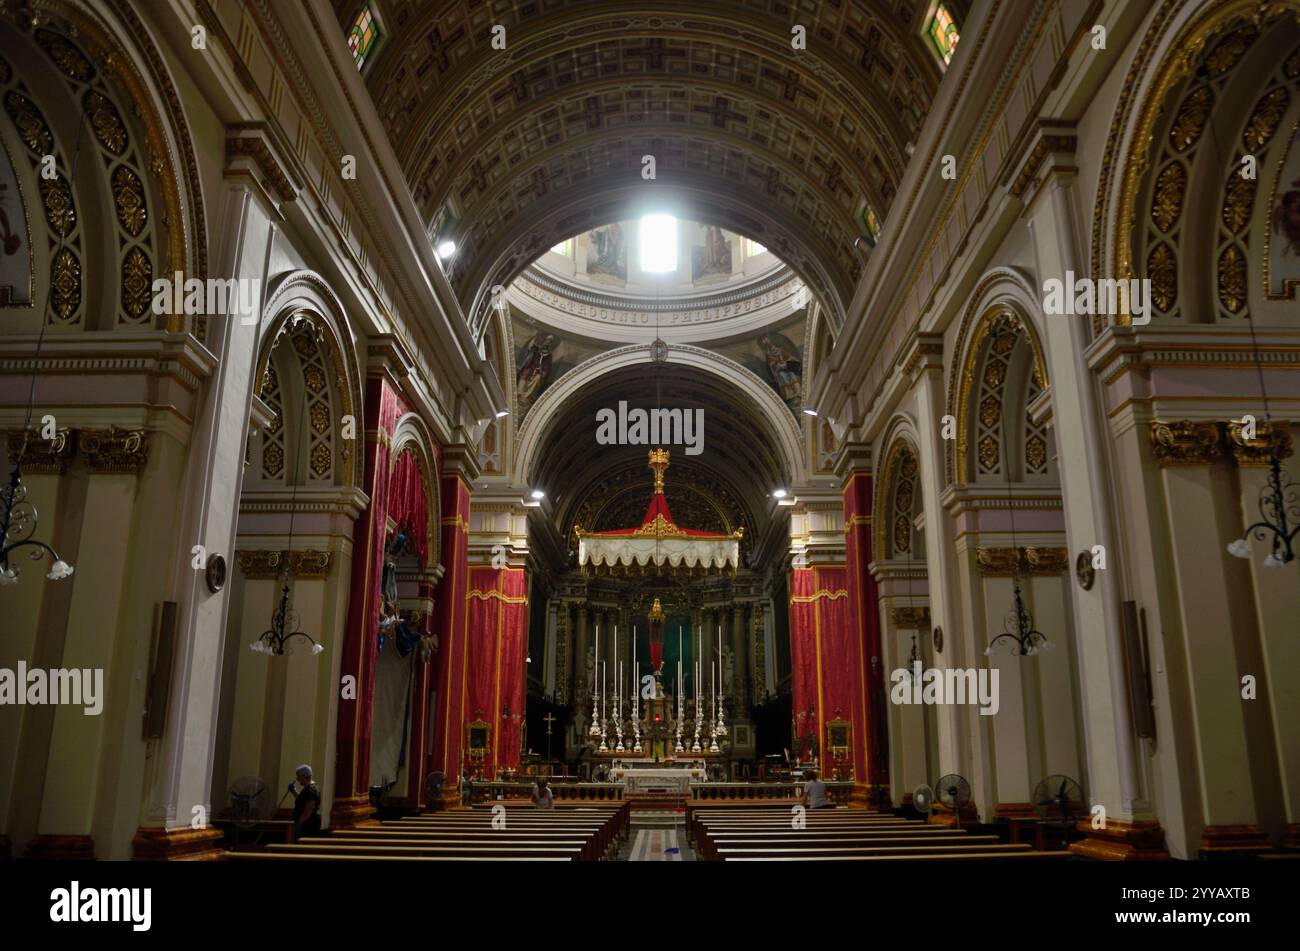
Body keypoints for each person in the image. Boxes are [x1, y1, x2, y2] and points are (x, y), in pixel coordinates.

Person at [291, 765, 322, 838]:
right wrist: (293, 791)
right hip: (306, 823)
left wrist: (299, 823)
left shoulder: (311, 789)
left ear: (305, 776)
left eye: (298, 776)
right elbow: (302, 801)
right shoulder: (307, 788)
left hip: (309, 824)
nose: (297, 779)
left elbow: (309, 809)